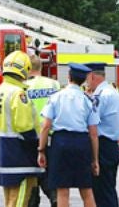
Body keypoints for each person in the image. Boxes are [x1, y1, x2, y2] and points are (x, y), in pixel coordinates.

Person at [38, 63, 99, 207]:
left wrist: (41, 150)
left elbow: (46, 126)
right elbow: (93, 133)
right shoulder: (88, 100)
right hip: (81, 143)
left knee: (62, 191)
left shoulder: (56, 97)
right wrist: (95, 159)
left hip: (61, 143)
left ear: (68, 77)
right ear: (84, 80)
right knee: (86, 190)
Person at [0, 51, 43, 207]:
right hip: (19, 152)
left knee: (10, 198)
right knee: (20, 198)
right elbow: (24, 125)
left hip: (4, 149)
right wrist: (37, 143)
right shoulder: (18, 93)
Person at [85, 63, 119, 207]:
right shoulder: (111, 91)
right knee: (108, 190)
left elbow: (90, 122)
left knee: (102, 194)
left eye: (87, 77)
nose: (86, 82)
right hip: (111, 147)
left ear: (92, 76)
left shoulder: (100, 95)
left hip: (102, 147)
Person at [26, 54, 60, 207]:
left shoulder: (24, 86)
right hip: (52, 137)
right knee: (50, 173)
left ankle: (34, 201)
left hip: (31, 136)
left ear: (27, 68)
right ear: (41, 67)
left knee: (32, 176)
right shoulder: (54, 85)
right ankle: (55, 197)